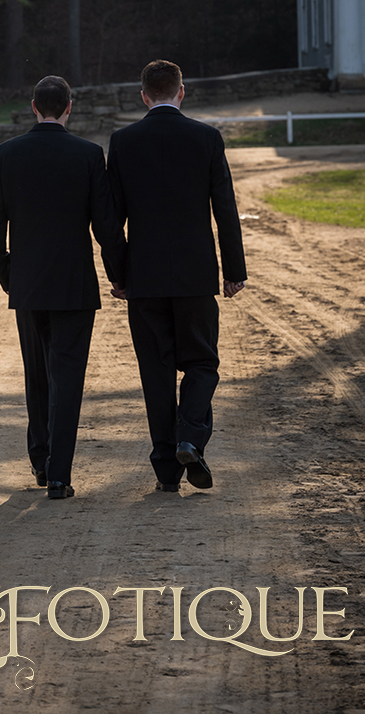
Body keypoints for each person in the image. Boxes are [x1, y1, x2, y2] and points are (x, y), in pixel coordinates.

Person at [0, 75, 127, 500]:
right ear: (68, 108)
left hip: (28, 286)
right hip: (74, 285)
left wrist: (13, 279)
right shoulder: (87, 154)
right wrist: (120, 274)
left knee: (37, 375)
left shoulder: (6, 155)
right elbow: (106, 227)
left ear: (33, 107)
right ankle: (60, 473)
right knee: (68, 378)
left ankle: (41, 461)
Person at [107, 59, 246, 492]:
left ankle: (167, 470)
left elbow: (112, 220)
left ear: (144, 95)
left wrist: (119, 275)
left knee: (157, 371)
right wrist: (234, 270)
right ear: (181, 92)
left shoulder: (124, 141)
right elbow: (224, 208)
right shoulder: (206, 137)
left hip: (145, 278)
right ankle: (190, 436)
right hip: (195, 275)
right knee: (202, 362)